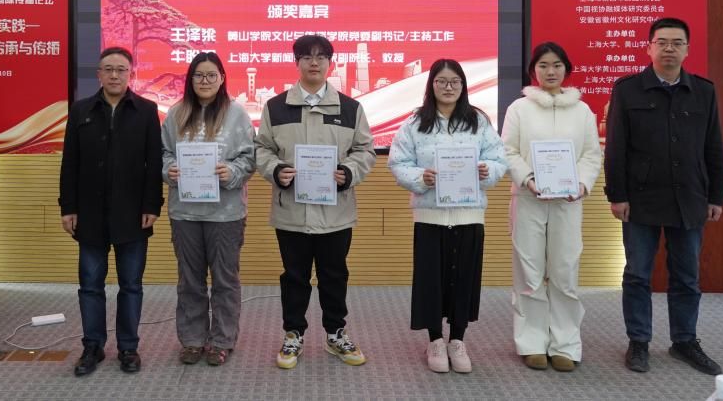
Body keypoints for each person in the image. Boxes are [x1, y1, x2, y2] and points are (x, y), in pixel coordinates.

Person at [605, 17, 723, 375]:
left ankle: (684, 341)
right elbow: (616, 148)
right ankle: (638, 341)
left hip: (689, 196)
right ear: (649, 47)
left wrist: (716, 196)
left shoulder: (703, 91)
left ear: (687, 49)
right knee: (637, 275)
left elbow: (714, 147)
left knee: (687, 275)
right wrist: (617, 195)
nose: (669, 49)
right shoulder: (627, 90)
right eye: (662, 42)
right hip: (641, 198)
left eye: (677, 43)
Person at [255, 34, 376, 370]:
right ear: (296, 62)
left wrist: (348, 172)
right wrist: (275, 170)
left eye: (321, 56)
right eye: (306, 56)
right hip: (291, 212)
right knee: (294, 277)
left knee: (334, 275)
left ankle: (336, 333)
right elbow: (262, 148)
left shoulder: (350, 108)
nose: (314, 62)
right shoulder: (276, 107)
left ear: (329, 63)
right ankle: (293, 333)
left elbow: (365, 150)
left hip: (336, 213)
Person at [388, 58, 508, 374]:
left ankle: (457, 339)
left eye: (455, 81)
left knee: (464, 279)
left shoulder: (478, 121)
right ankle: (435, 340)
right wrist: (421, 177)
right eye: (441, 81)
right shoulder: (415, 123)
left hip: (469, 214)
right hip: (430, 215)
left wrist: (487, 170)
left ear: (463, 85)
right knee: (431, 280)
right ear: (432, 85)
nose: (448, 87)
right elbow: (398, 163)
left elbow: (499, 158)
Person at [58, 46, 163, 376]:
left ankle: (128, 347)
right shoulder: (81, 110)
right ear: (99, 74)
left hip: (132, 213)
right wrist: (68, 207)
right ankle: (93, 346)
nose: (115, 75)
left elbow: (154, 163)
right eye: (109, 69)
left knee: (131, 284)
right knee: (90, 284)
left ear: (131, 74)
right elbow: (70, 162)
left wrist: (152, 205)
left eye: (121, 69)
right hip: (89, 213)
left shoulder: (146, 110)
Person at [500, 42, 602, 372]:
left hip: (568, 203)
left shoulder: (582, 111)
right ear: (534, 70)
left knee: (565, 272)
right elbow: (508, 151)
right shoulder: (519, 108)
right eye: (543, 65)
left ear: (566, 69)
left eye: (557, 65)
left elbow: (591, 154)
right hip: (528, 198)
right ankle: (531, 342)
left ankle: (565, 344)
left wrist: (581, 184)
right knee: (528, 271)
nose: (550, 71)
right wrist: (528, 178)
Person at [161, 52, 255, 367]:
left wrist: (233, 171)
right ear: (190, 79)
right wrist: (169, 169)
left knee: (225, 280)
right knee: (190, 280)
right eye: (199, 75)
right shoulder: (176, 113)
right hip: (185, 212)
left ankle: (222, 341)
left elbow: (250, 157)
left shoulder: (237, 114)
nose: (205, 81)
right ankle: (192, 340)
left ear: (222, 78)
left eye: (211, 75)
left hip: (225, 213)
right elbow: (162, 153)